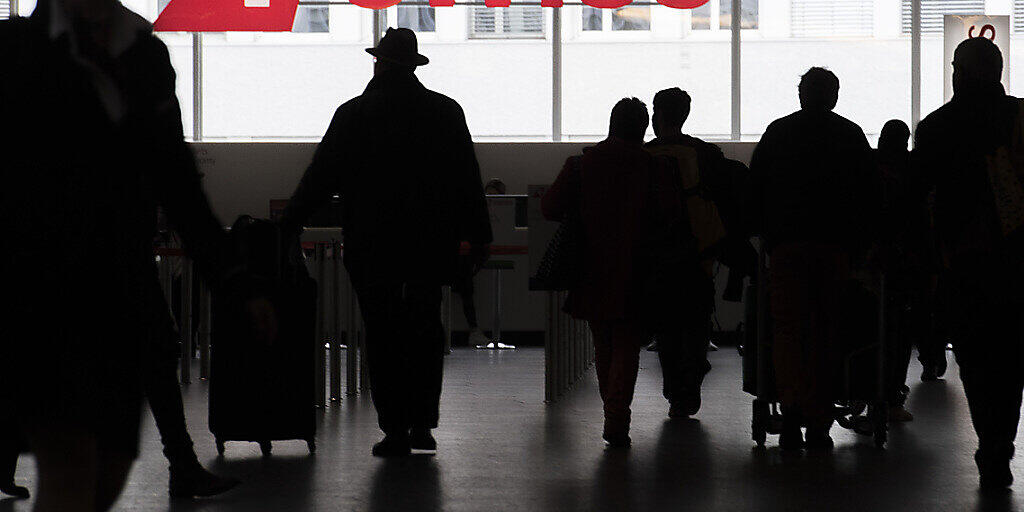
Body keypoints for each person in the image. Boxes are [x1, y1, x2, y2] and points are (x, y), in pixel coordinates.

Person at [0, 2, 273, 510]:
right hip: (37, 291)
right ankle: (182, 465)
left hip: (118, 289)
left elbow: (178, 184)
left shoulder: (145, 57)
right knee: (72, 462)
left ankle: (180, 465)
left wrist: (233, 279)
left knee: (106, 472)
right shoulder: (18, 52)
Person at [280, 28, 492, 457]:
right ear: (414, 65)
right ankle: (423, 425)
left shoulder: (354, 114)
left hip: (372, 244)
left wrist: (289, 224)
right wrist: (480, 237)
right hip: (430, 245)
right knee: (424, 328)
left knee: (382, 333)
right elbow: (467, 181)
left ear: (377, 63)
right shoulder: (445, 112)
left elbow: (320, 178)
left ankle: (394, 427)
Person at [748, 67, 879, 451]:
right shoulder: (851, 136)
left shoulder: (778, 133)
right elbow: (869, 198)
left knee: (789, 331)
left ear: (801, 94)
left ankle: (789, 410)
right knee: (826, 330)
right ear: (834, 96)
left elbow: (755, 192)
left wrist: (764, 238)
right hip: (835, 250)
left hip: (787, 249)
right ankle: (819, 421)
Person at [914, 37, 1024, 489]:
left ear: (960, 72)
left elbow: (918, 197)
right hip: (1019, 261)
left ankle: (993, 444)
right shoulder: (1022, 117)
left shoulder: (939, 126)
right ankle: (1004, 440)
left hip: (965, 264)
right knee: (1014, 358)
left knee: (978, 361)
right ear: (998, 70)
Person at [542, 98, 682, 447]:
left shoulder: (581, 164)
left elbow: (549, 207)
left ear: (611, 124)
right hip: (639, 268)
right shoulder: (654, 167)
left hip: (590, 265)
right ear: (643, 127)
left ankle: (613, 408)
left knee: (603, 341)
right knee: (626, 344)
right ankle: (616, 414)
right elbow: (671, 215)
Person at [644, 88, 720, 418]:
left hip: (658, 257)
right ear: (686, 114)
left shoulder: (645, 156)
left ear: (655, 115)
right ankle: (691, 382)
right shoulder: (706, 153)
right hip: (698, 255)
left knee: (667, 326)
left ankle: (675, 390)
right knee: (696, 323)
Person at [873, 119, 937, 423]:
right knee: (911, 320)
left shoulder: (871, 167)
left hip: (876, 259)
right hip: (911, 259)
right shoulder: (914, 168)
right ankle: (900, 387)